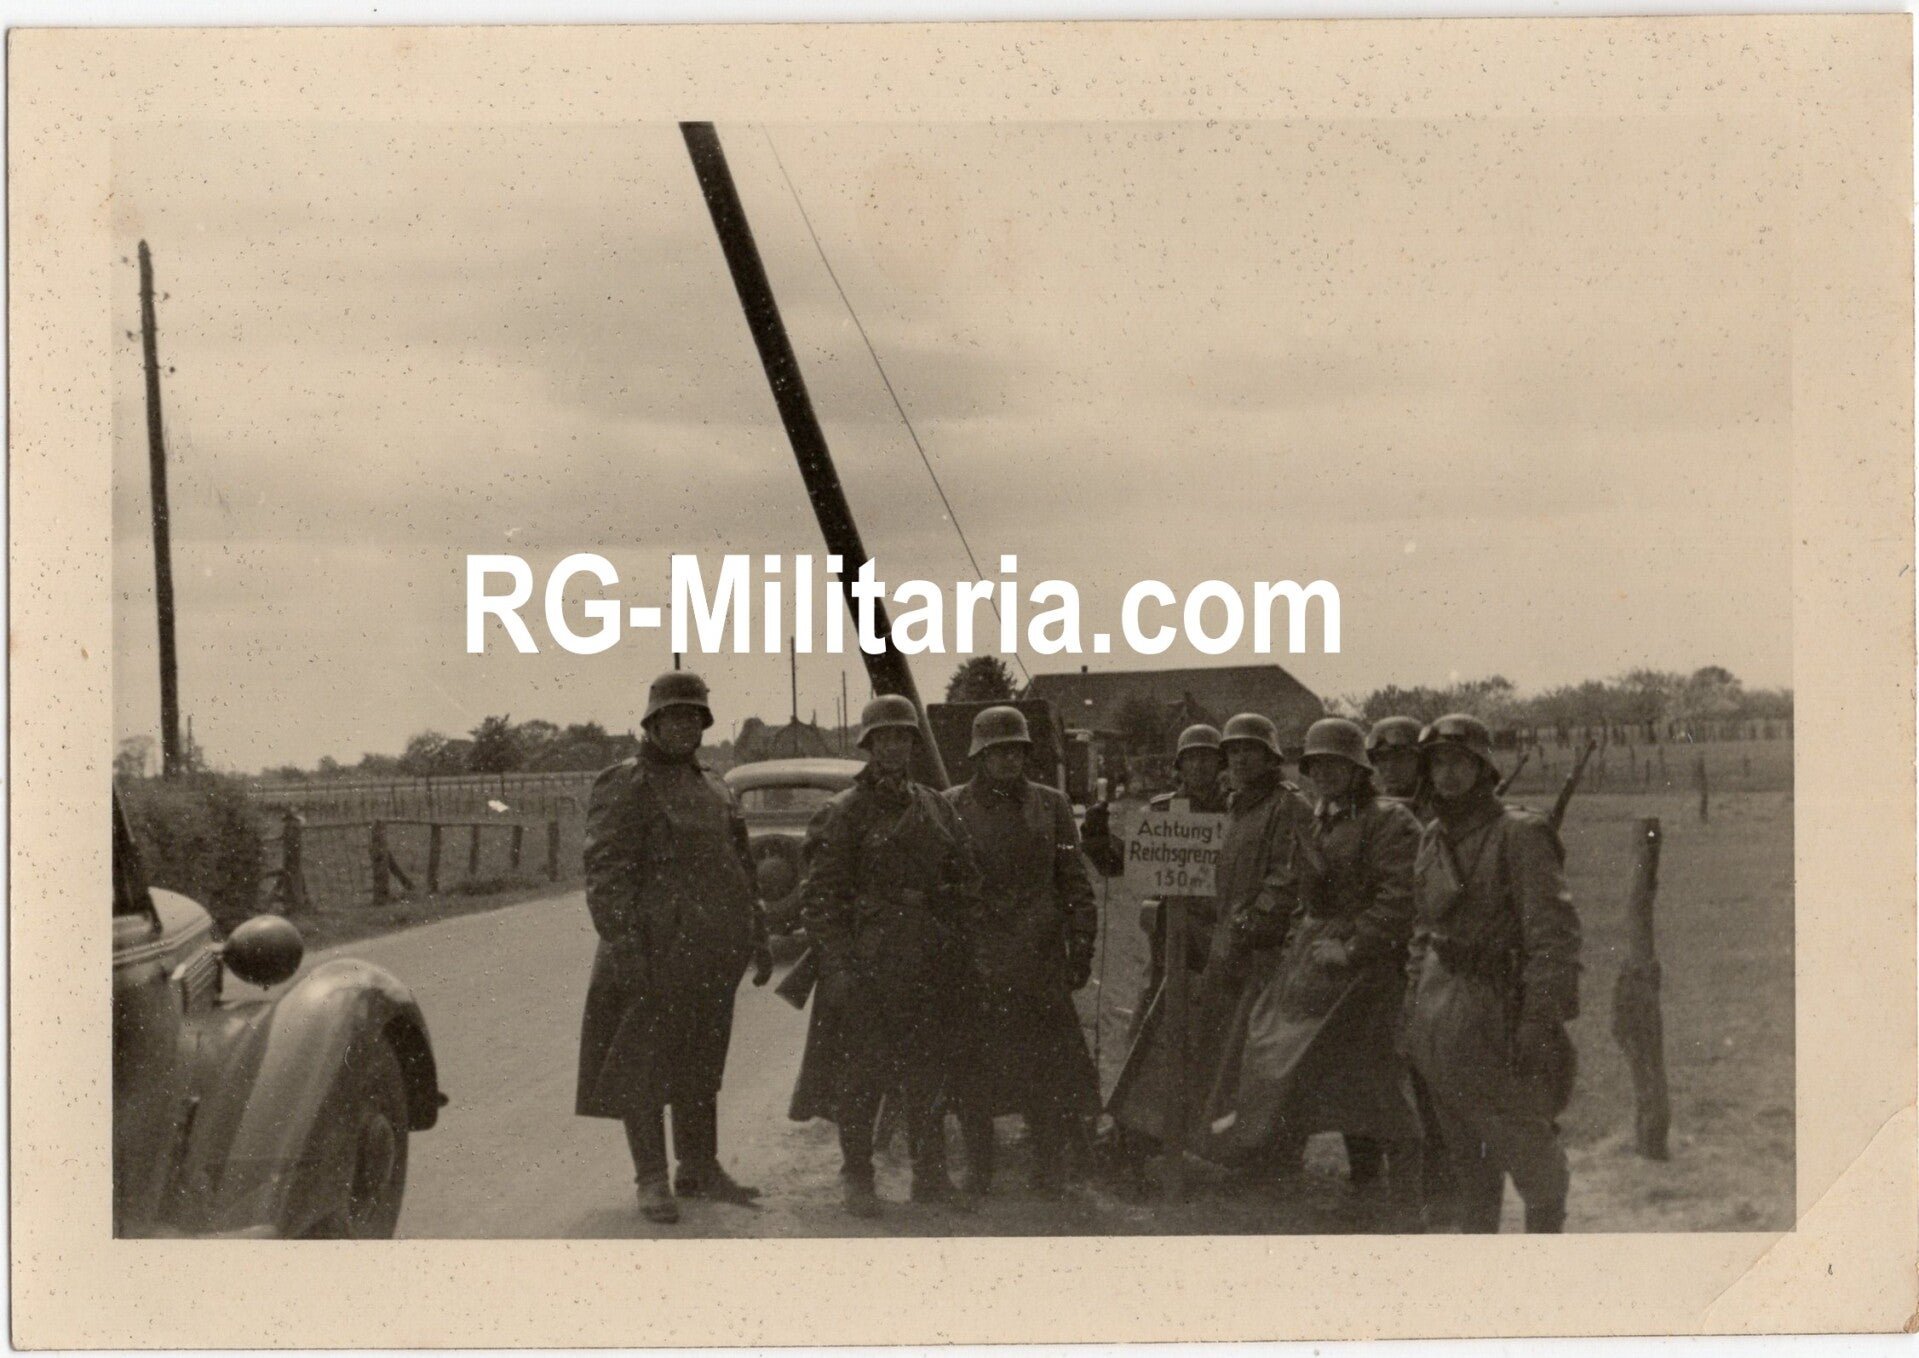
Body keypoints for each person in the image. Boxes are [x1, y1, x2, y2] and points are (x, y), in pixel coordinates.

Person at [1206, 718, 1425, 1227]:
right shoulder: (1324, 820)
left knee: (1378, 1081)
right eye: (1317, 766)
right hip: (1317, 961)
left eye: (1336, 765)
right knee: (1279, 1056)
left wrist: (1351, 948)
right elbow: (1309, 894)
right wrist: (1301, 942)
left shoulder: (1391, 821)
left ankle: (1405, 1197)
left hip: (1369, 972)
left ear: (1357, 769)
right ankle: (1296, 1169)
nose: (1325, 774)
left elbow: (1400, 900)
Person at [575, 670, 774, 1225]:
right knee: (644, 1068)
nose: (685, 725)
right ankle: (652, 1179)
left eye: (695, 716)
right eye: (675, 716)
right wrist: (627, 953)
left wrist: (756, 935)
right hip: (651, 955)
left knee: (702, 1065)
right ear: (653, 721)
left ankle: (699, 1167)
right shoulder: (625, 783)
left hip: (712, 955)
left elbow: (741, 869)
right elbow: (606, 875)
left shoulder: (715, 787)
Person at [795, 694, 978, 1217]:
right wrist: (837, 967)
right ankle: (857, 1177)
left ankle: (931, 1176)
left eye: (903, 737)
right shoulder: (844, 811)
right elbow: (820, 898)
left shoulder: (935, 805)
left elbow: (964, 875)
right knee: (863, 1076)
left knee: (927, 1072)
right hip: (868, 960)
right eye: (885, 738)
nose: (895, 746)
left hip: (926, 958)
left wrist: (950, 927)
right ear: (869, 745)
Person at [1401, 713, 1582, 1233]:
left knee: (1527, 1147)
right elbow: (1422, 928)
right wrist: (1411, 1010)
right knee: (1464, 1150)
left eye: (1460, 762)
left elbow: (1554, 937)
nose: (1448, 774)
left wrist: (1539, 1021)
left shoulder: (1520, 834)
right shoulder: (1432, 836)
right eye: (1437, 763)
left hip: (1501, 1009)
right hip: (1440, 1009)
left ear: (1484, 769)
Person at [943, 706, 1101, 1200]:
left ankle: (1047, 1165)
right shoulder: (951, 806)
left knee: (1046, 1069)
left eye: (1015, 750)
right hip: (977, 958)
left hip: (1039, 956)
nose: (1008, 760)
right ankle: (980, 1169)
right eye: (997, 751)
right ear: (980, 756)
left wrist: (1081, 946)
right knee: (975, 1071)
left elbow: (1075, 883)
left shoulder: (1052, 807)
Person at [1192, 713, 1317, 1169]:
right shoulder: (1235, 807)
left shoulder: (1290, 807)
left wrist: (1248, 929)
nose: (1241, 758)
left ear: (1271, 757)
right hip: (1233, 948)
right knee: (1229, 1051)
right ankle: (1235, 1146)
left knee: (1270, 1060)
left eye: (1251, 750)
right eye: (1233, 751)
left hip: (1272, 954)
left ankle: (1275, 1158)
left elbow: (1288, 881)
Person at [1128, 724, 1230, 1042]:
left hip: (1220, 919)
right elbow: (1133, 862)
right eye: (1191, 758)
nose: (1198, 766)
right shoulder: (1162, 810)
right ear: (1180, 765)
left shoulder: (1236, 809)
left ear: (1220, 764)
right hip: (1173, 923)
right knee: (1156, 998)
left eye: (1207, 757)